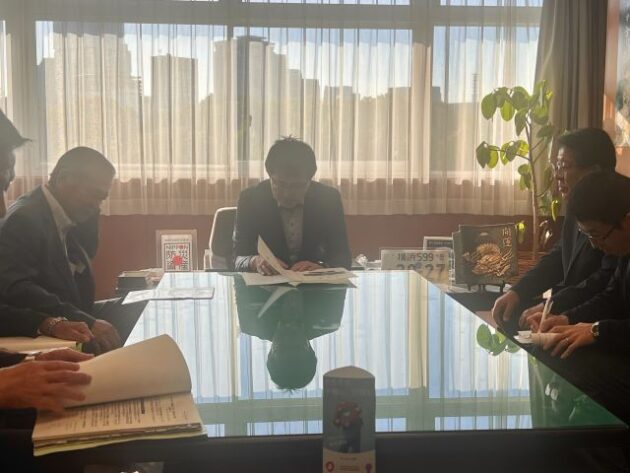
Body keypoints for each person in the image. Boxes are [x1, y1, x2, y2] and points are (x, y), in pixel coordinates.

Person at [0, 146, 144, 354]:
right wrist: (86, 320)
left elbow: (88, 255)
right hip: (53, 319)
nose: (96, 205)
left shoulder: (65, 212)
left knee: (143, 302)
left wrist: (90, 210)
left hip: (75, 309)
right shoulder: (25, 219)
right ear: (63, 179)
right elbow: (18, 289)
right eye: (94, 194)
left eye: (102, 198)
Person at [491, 128, 618, 329]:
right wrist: (518, 291)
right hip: (570, 308)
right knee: (510, 314)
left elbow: (603, 283)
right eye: (556, 166)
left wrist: (551, 307)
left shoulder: (617, 213)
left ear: (594, 172)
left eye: (565, 166)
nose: (557, 176)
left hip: (599, 319)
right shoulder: (577, 204)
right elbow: (558, 257)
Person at [0, 112, 94, 343]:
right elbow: (17, 289)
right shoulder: (25, 218)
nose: (3, 211)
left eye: (5, 187)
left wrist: (48, 324)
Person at [534, 171, 630, 358]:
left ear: (626, 222)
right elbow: (612, 297)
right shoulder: (623, 249)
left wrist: (596, 330)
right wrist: (566, 318)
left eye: (596, 234)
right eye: (587, 235)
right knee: (550, 346)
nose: (594, 245)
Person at [233, 137, 352, 274]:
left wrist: (323, 267)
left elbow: (342, 257)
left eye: (297, 186)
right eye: (280, 184)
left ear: (309, 180)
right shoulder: (250, 199)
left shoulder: (328, 199)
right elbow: (238, 259)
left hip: (312, 280)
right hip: (267, 281)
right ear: (269, 175)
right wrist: (255, 261)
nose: (287, 194)